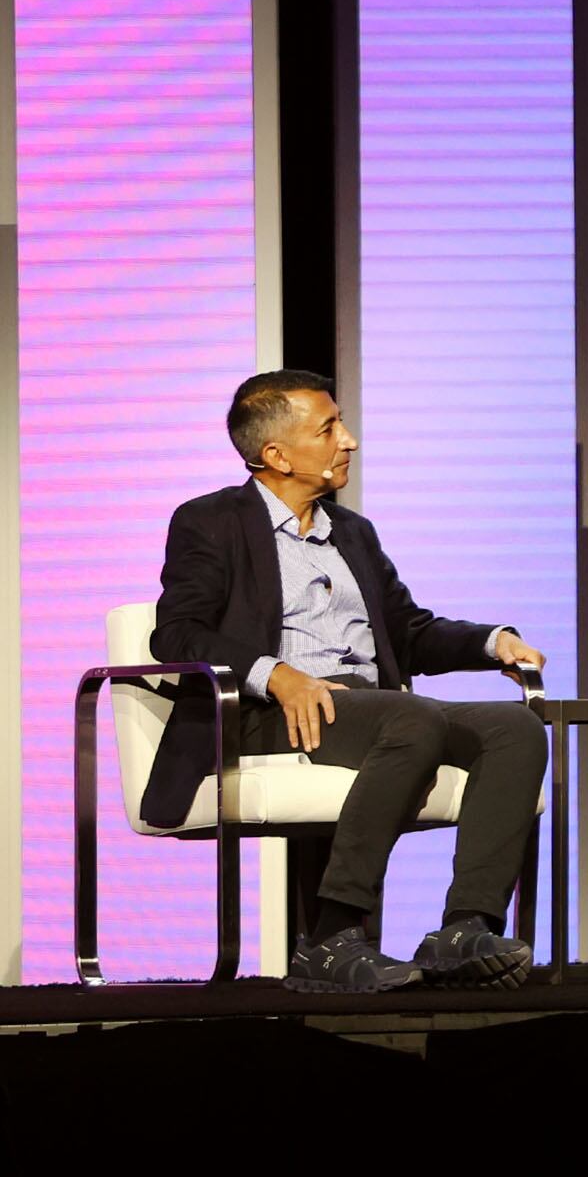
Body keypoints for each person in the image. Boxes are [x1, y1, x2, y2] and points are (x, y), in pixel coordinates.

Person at [149, 370, 550, 993]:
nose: (350, 441)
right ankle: (332, 937)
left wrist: (487, 640)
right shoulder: (211, 522)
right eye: (329, 428)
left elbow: (408, 631)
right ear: (274, 455)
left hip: (370, 708)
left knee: (515, 727)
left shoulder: (352, 532)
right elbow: (177, 634)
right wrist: (278, 675)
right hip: (268, 711)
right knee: (410, 716)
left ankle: (465, 926)